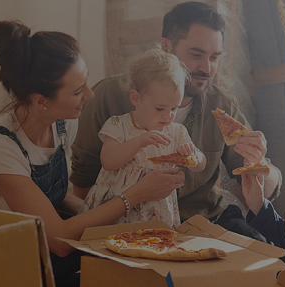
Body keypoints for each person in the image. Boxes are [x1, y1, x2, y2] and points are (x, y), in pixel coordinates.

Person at [0, 20, 183, 287]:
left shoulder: (62, 124)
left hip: (34, 247)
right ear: (41, 101)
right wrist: (136, 195)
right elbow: (60, 241)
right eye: (77, 91)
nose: (89, 95)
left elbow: (53, 196)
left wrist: (109, 208)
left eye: (85, 84)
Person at [71, 1, 280, 226]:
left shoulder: (221, 106)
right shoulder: (108, 96)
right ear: (165, 46)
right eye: (196, 54)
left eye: (214, 57)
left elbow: (267, 188)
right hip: (125, 225)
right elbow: (83, 183)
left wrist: (260, 164)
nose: (207, 69)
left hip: (201, 225)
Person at [80, 49, 205, 228]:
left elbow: (201, 165)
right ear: (136, 98)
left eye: (174, 109)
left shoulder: (177, 132)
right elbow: (108, 161)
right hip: (116, 211)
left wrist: (194, 155)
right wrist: (139, 141)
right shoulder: (118, 125)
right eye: (160, 108)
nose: (168, 116)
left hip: (156, 213)